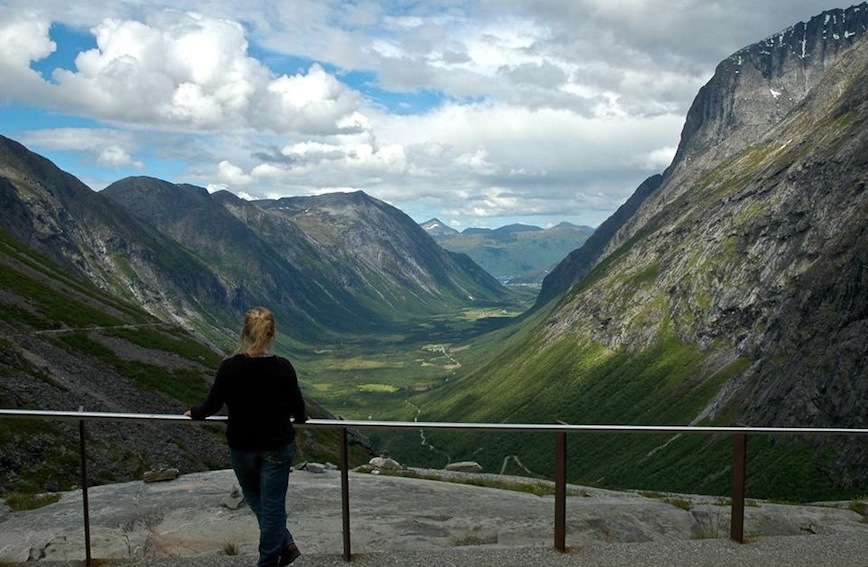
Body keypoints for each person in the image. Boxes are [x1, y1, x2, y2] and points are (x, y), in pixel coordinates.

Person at [184, 306, 308, 567]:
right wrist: (295, 418)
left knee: (255, 497)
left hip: (242, 447)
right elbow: (299, 412)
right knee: (272, 505)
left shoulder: (229, 368)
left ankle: (282, 547)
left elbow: (212, 405)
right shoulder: (283, 368)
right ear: (272, 334)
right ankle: (276, 552)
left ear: (245, 332)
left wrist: (194, 412)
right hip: (276, 446)